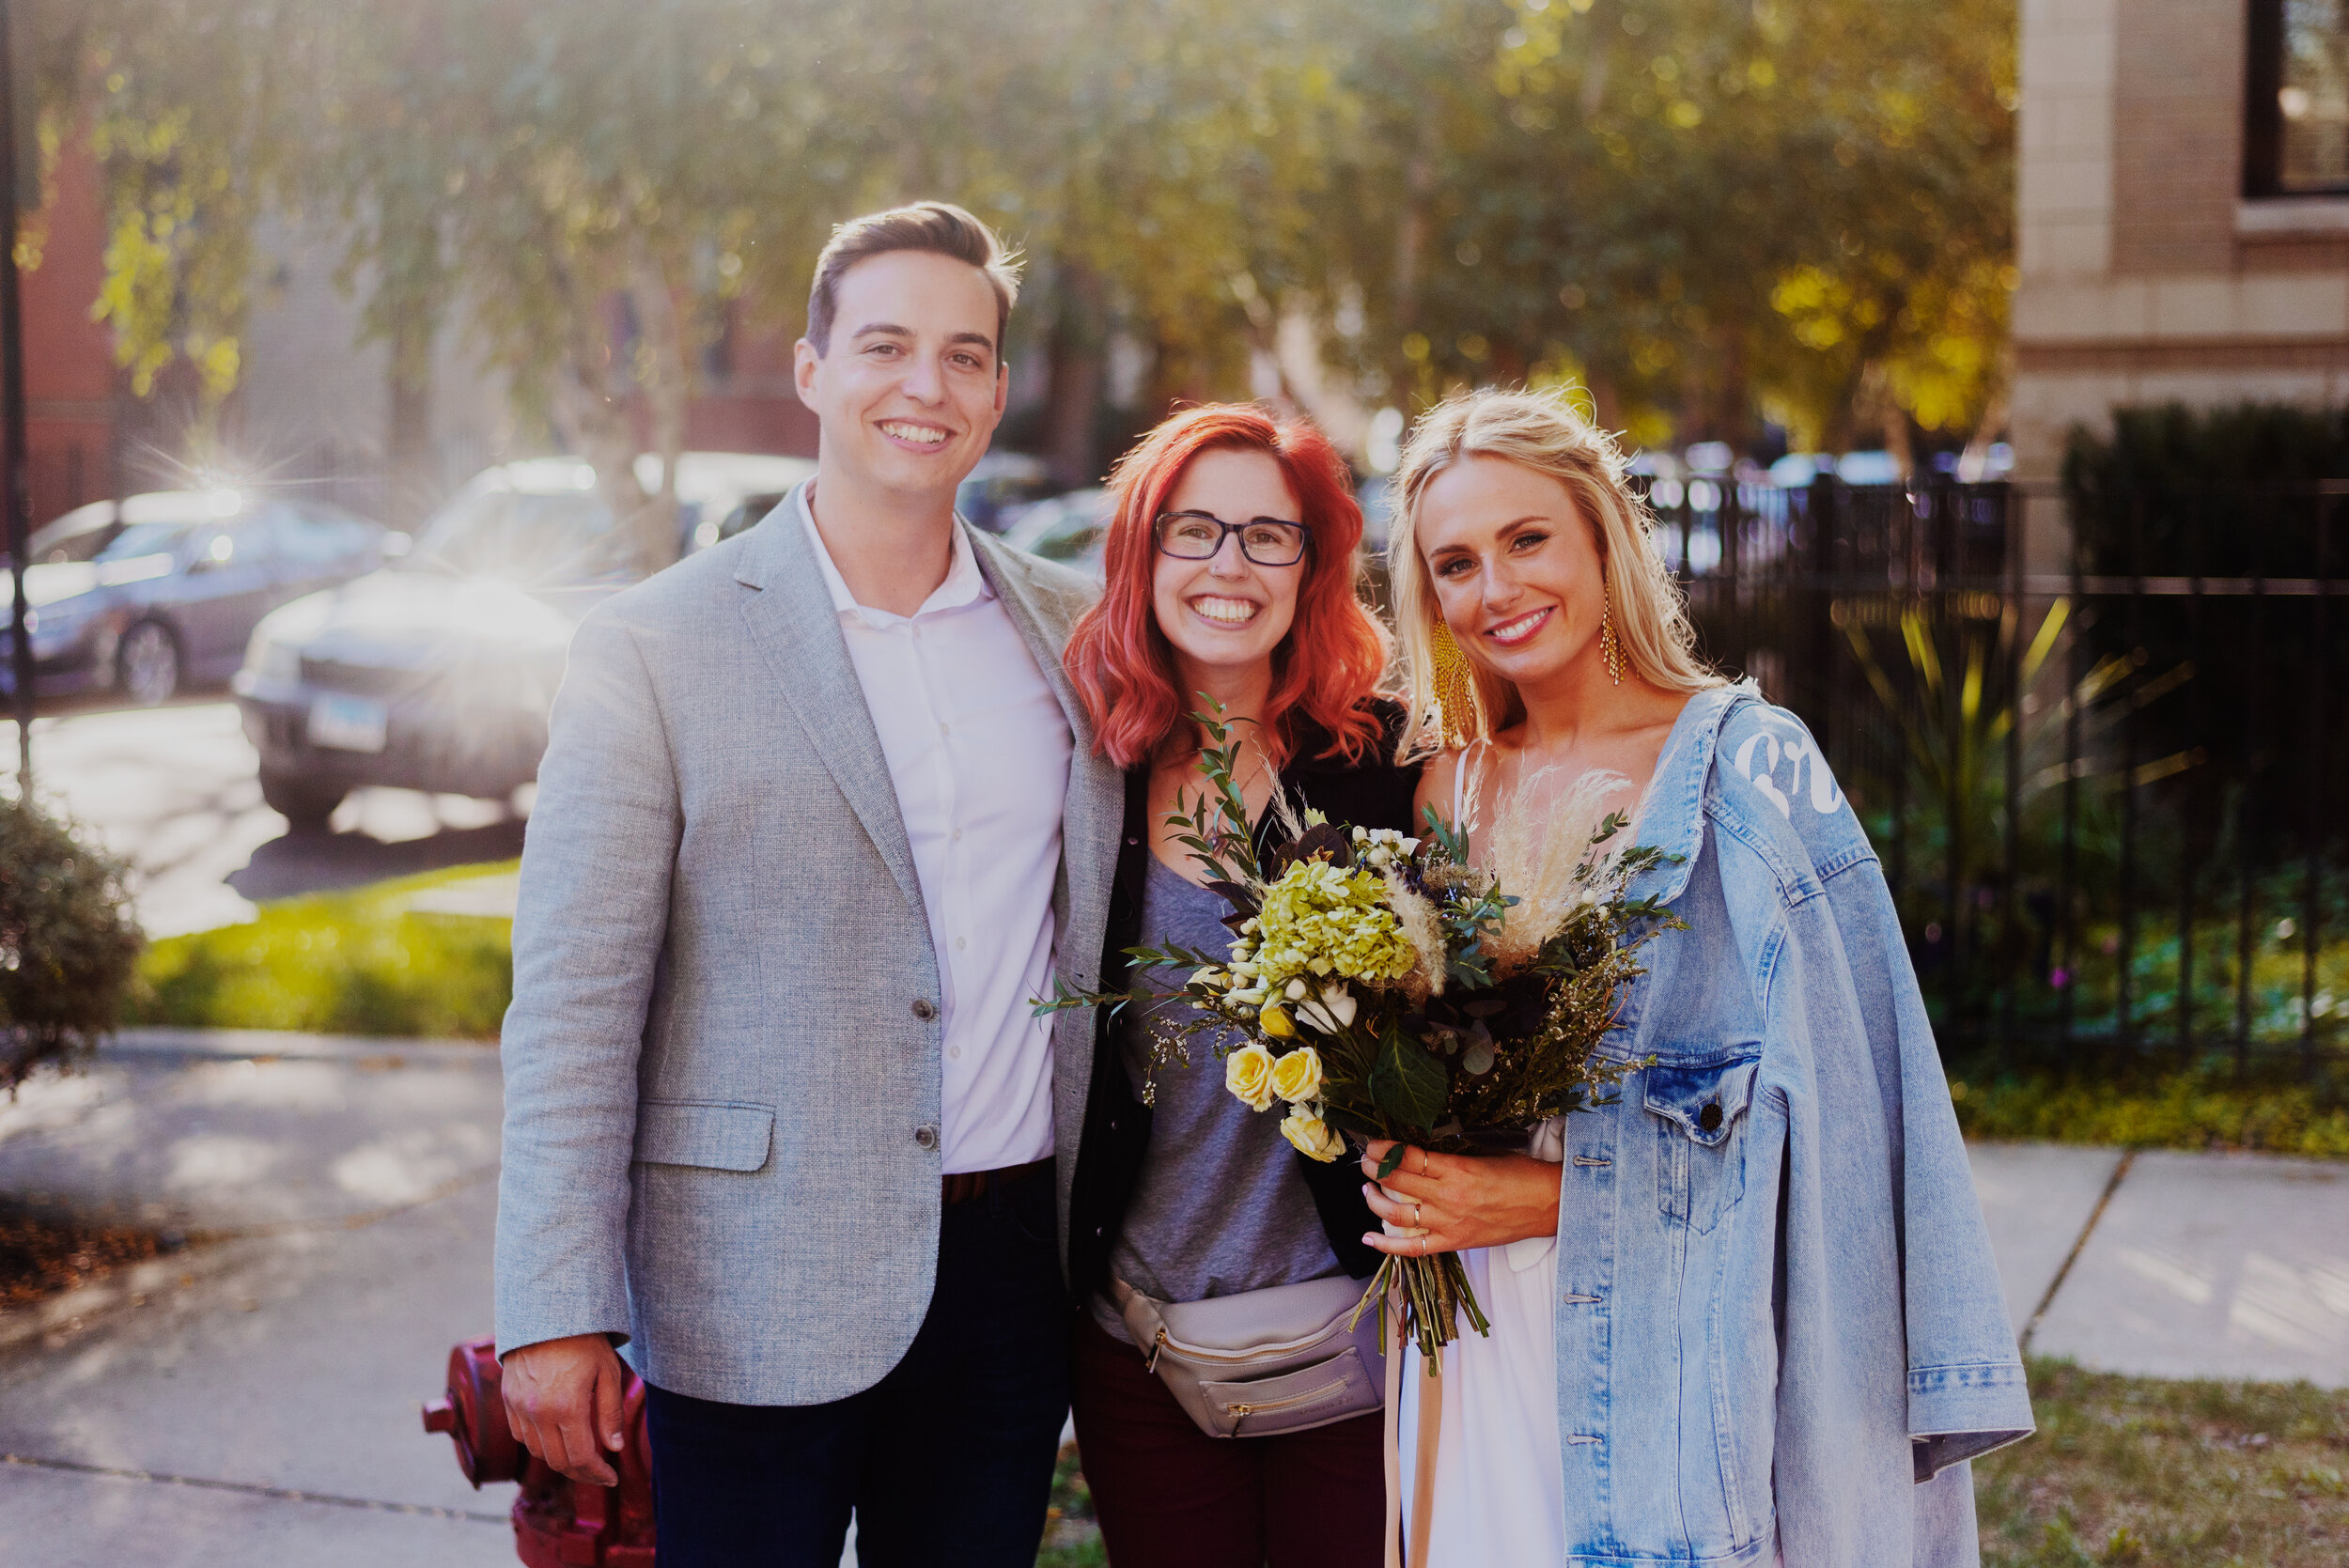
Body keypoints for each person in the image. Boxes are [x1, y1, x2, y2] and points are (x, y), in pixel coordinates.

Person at [490, 202, 1123, 1568]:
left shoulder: (1076, 632)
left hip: (1011, 1271)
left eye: (966, 355)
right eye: (887, 345)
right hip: (749, 1276)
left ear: (1000, 392)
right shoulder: (652, 645)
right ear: (812, 370)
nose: (926, 385)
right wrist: (556, 1307)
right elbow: (576, 999)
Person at [1361, 387, 2031, 1567]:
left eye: (1527, 540)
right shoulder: (1445, 791)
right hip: (1469, 1328)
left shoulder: (1750, 769)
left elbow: (1837, 1135)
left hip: (1668, 1343)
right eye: (1455, 563)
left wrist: (1549, 1198)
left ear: (1600, 535)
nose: (1497, 590)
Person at [1060, 404, 1417, 1568]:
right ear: (1142, 549)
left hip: (1353, 1325)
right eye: (1195, 528)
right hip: (1140, 1344)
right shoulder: (1085, 768)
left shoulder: (1386, 768)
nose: (1229, 564)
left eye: (1270, 535)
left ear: (1313, 564)